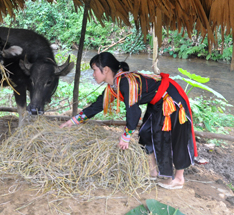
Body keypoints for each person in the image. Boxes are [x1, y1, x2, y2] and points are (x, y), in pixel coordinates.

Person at [60, 52, 198, 190]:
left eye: (95, 70)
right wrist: (72, 122)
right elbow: (96, 107)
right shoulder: (113, 87)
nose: (93, 74)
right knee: (145, 133)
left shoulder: (125, 82)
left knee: (176, 136)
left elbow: (134, 111)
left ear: (106, 69)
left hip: (171, 99)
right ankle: (152, 171)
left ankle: (179, 178)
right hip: (157, 102)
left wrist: (126, 136)